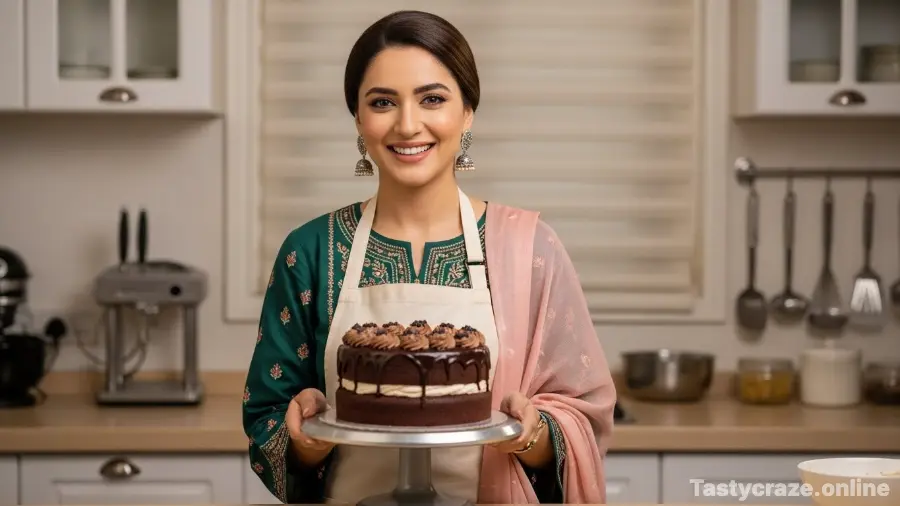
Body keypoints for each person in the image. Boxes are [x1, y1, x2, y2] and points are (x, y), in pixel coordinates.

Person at [242, 10, 617, 505]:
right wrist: (305, 443)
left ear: (467, 112)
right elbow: (267, 422)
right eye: (382, 102)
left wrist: (531, 433)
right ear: (358, 117)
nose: (408, 124)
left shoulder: (531, 249)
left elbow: (583, 419)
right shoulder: (310, 251)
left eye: (432, 99)